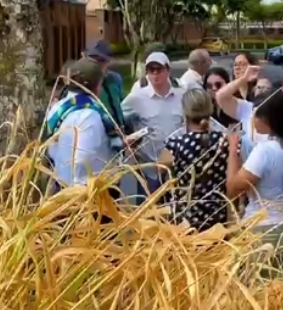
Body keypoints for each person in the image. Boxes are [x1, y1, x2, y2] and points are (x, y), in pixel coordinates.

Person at [224, 88, 283, 274]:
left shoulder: (264, 151)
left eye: (255, 115)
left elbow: (233, 189)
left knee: (262, 287)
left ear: (269, 119)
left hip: (264, 233)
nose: (252, 120)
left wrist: (233, 150)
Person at [158, 89, 229, 232]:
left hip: (185, 219)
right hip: (218, 217)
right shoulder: (225, 142)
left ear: (185, 112)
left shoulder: (176, 144)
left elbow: (159, 169)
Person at [43, 59, 117, 191]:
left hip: (61, 182)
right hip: (87, 190)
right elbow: (83, 158)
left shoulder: (58, 108)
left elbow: (52, 147)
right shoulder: (89, 115)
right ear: (97, 86)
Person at [122, 50, 186, 201]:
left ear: (168, 70)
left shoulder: (182, 96)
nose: (155, 74)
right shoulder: (136, 98)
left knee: (174, 209)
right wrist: (127, 139)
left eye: (159, 69)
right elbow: (117, 119)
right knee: (147, 210)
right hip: (148, 169)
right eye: (151, 70)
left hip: (176, 168)